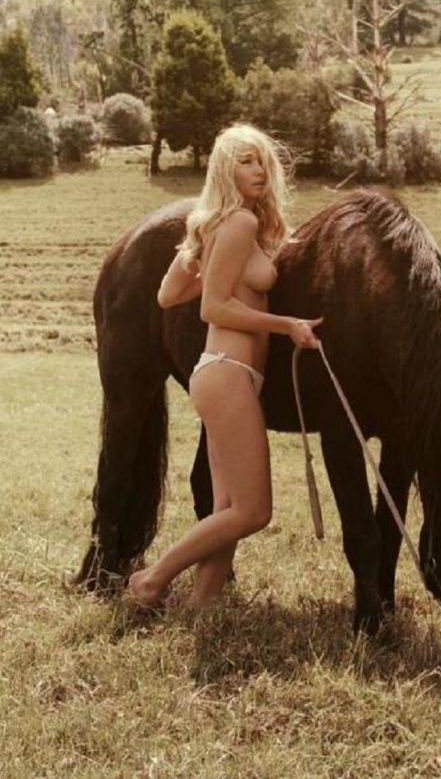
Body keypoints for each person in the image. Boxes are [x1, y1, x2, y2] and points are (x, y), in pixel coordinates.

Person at [126, 124, 322, 612]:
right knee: (254, 511)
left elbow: (167, 294)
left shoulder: (220, 225)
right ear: (224, 171)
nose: (258, 171)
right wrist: (286, 325)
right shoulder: (238, 223)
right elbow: (212, 308)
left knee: (227, 507)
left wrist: (211, 264)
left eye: (261, 161)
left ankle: (203, 603)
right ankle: (150, 580)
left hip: (225, 374)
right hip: (228, 371)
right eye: (245, 162)